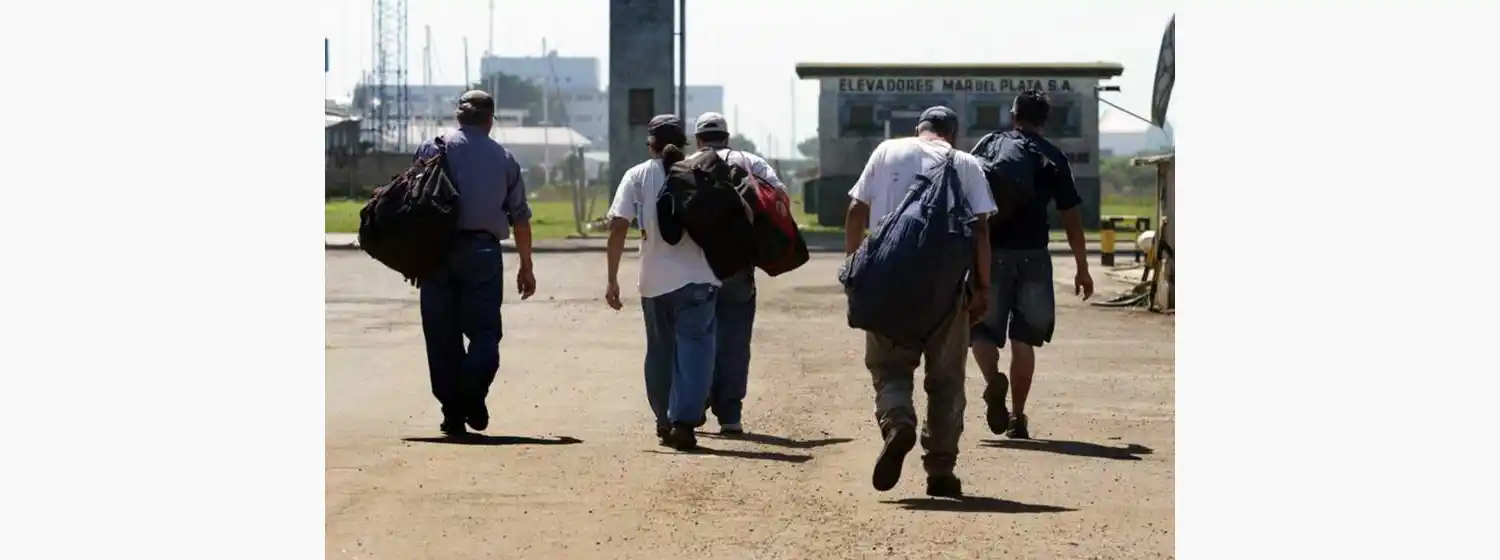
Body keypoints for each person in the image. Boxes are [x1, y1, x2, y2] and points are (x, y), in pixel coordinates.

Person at [844, 106, 997, 497]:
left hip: (886, 282)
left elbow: (856, 210)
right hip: (946, 290)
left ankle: (898, 421)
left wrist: (855, 269)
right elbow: (981, 231)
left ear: (919, 129)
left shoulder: (886, 151)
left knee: (889, 367)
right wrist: (982, 288)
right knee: (946, 381)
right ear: (953, 134)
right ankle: (940, 471)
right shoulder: (966, 163)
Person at [970, 90, 1094, 441]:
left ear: (1014, 116)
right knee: (1024, 339)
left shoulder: (990, 145)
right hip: (1035, 257)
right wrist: (1082, 267)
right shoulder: (1053, 157)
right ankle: (1018, 416)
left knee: (981, 330)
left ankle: (993, 381)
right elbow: (1071, 219)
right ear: (1045, 120)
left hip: (991, 253)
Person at [414, 90, 537, 437]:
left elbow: (413, 201)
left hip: (435, 254)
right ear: (490, 120)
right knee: (485, 333)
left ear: (459, 117)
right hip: (482, 253)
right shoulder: (504, 158)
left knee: (442, 335)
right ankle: (471, 394)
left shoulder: (432, 148)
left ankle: (453, 410)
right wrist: (526, 265)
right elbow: (520, 218)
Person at [604, 114, 720, 451]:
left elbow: (618, 226)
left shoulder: (637, 176)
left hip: (654, 282)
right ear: (685, 143)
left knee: (660, 351)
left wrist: (612, 279)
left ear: (651, 144)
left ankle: (664, 420)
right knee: (696, 351)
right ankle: (684, 421)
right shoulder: (703, 170)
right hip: (701, 279)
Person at [691, 112, 787, 436]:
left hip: (695, 267)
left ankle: (694, 405)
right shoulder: (751, 162)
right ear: (727, 137)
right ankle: (730, 415)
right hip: (738, 265)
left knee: (695, 337)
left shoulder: (687, 165)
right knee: (734, 340)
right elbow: (780, 199)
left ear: (698, 139)